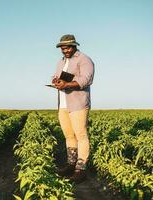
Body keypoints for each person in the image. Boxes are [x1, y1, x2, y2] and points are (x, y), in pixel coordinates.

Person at [52, 34, 94, 183]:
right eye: (63, 48)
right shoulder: (61, 62)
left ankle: (80, 169)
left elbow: (86, 79)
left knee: (81, 135)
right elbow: (56, 76)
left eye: (68, 47)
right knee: (69, 135)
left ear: (74, 46)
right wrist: (56, 80)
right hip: (63, 104)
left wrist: (67, 85)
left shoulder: (84, 59)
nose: (65, 51)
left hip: (78, 103)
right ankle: (71, 164)